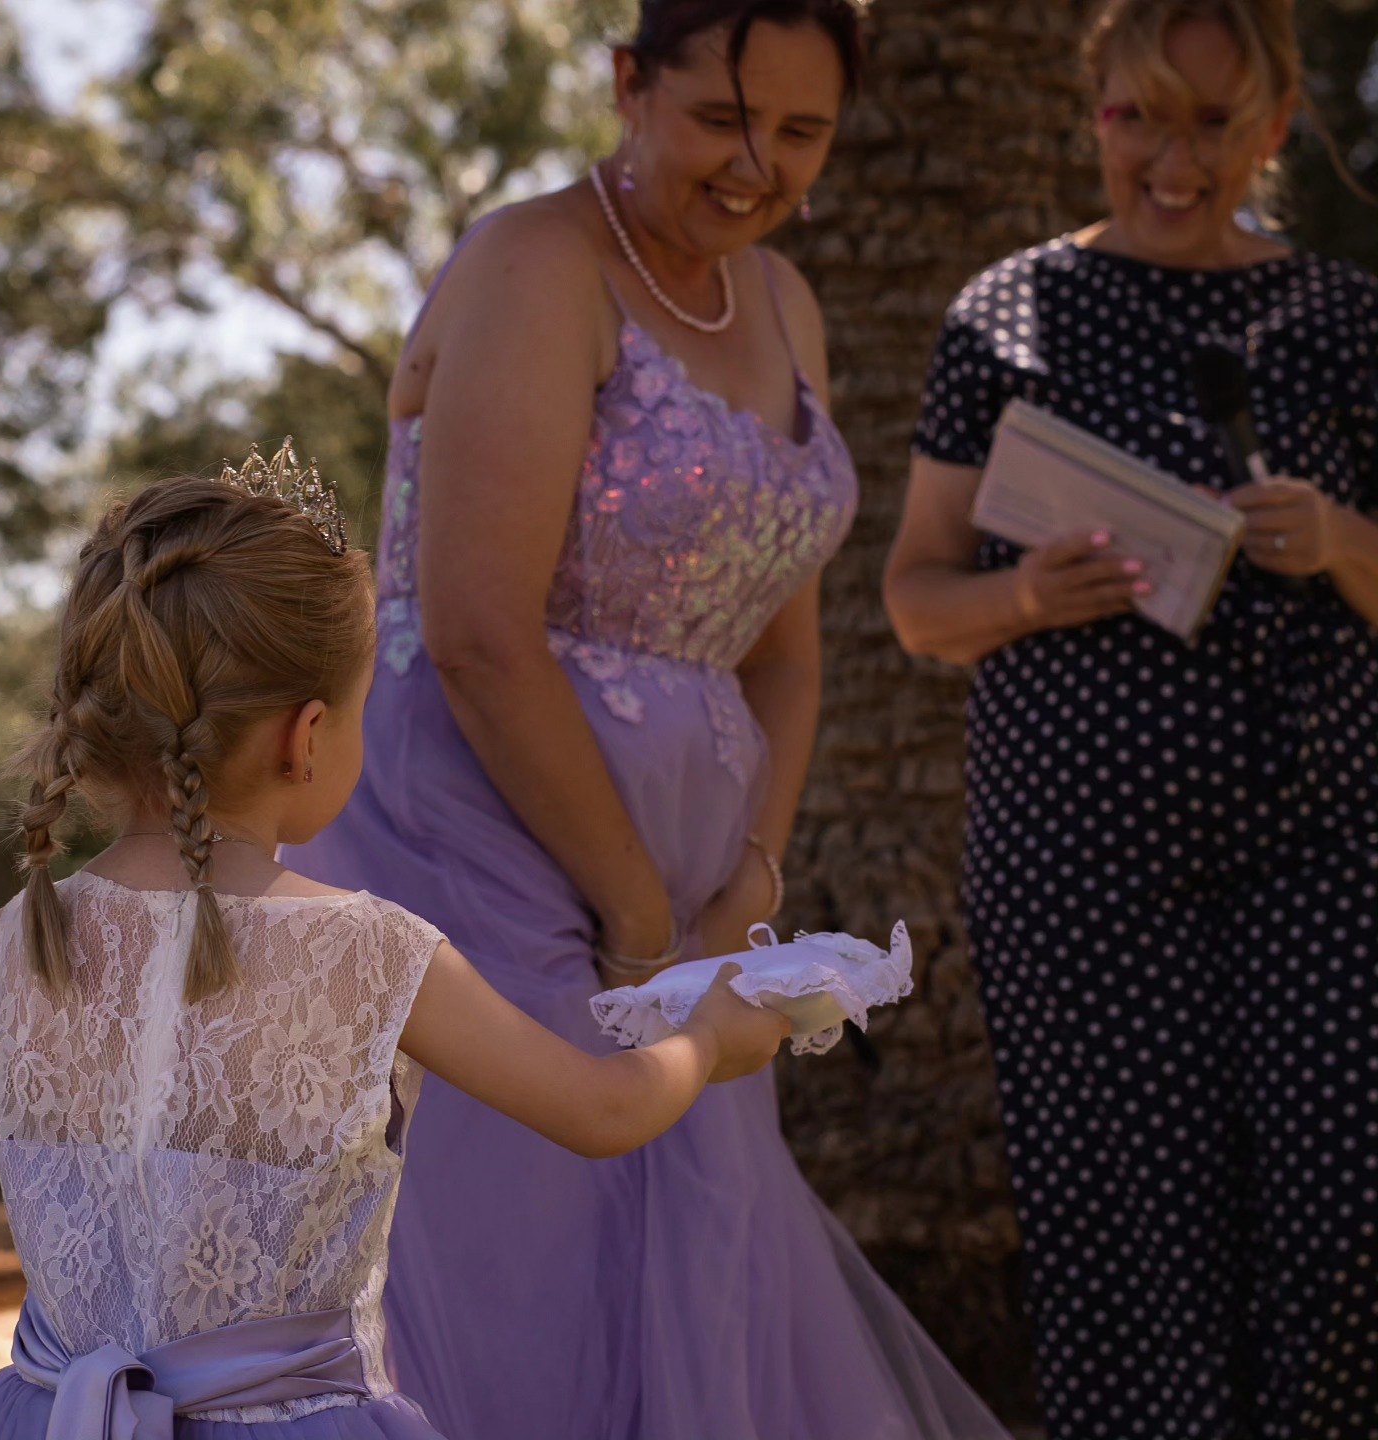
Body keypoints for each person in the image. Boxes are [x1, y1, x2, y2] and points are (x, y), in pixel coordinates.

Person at [281, 3, 1010, 1437]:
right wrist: (634, 917)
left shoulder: (784, 302)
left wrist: (754, 877)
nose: (761, 167)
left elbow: (784, 647)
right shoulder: (534, 266)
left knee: (697, 1255)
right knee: (531, 1266)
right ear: (627, 84)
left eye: (803, 132)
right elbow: (485, 638)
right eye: (723, 120)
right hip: (482, 846)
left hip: (692, 882)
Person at [0, 461, 792, 1440]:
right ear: (305, 738)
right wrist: (713, 1039)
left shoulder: (19, 940)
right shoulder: (374, 955)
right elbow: (602, 1108)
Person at [884, 2, 1378, 1436]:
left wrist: (1340, 537)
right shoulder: (1007, 312)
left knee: (1343, 1219)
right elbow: (918, 604)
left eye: (1214, 123)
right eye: (1138, 118)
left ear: (1275, 127)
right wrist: (1030, 591)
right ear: (1089, 108)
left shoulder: (1346, 318)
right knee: (1129, 1259)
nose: (1173, 159)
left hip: (1323, 851)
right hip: (1078, 871)